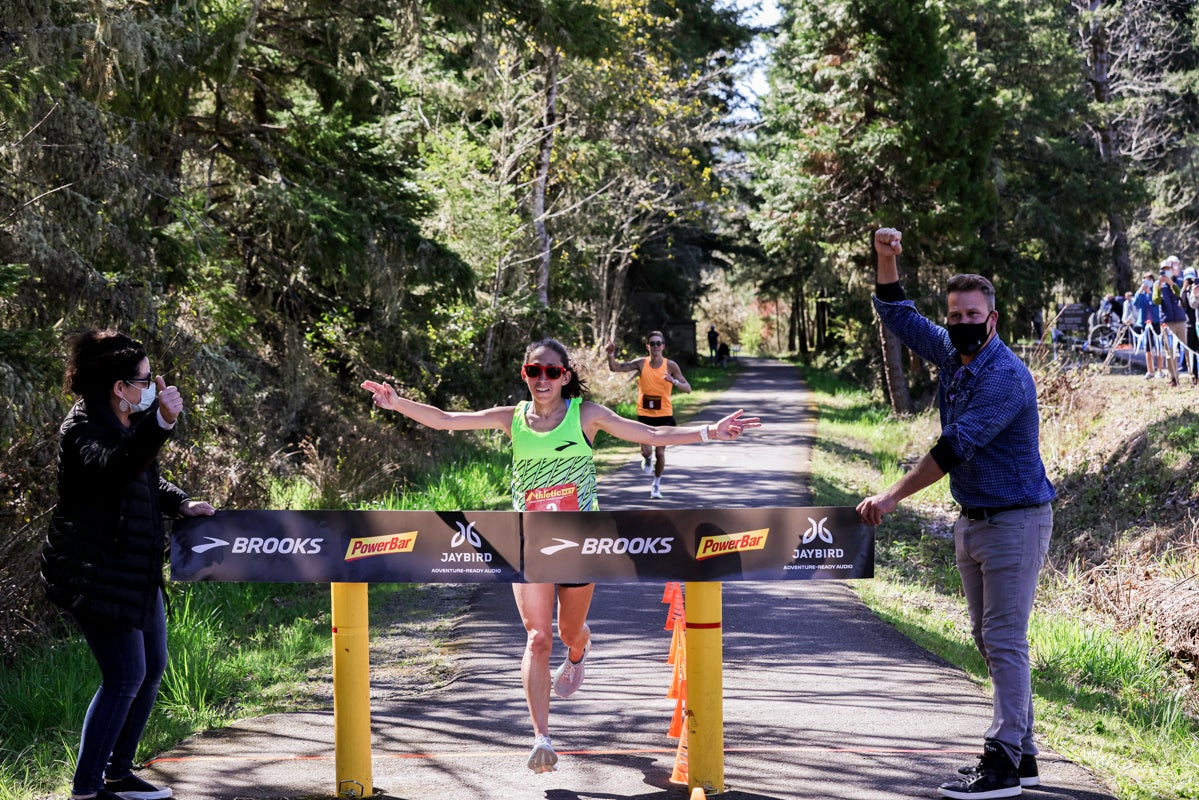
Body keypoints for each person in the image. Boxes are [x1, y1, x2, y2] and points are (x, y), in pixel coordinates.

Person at [361, 339, 758, 774]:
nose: (543, 379)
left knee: (569, 631)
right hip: (528, 542)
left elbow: (651, 433)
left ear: (565, 376)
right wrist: (398, 404)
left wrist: (709, 432)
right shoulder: (512, 419)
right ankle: (542, 739)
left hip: (579, 544)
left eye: (552, 371)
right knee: (537, 637)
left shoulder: (585, 416)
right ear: (525, 374)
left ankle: (580, 650)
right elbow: (446, 420)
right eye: (535, 371)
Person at [856, 229, 1055, 800]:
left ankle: (1000, 763)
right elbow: (899, 315)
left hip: (1016, 519)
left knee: (1004, 638)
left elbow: (952, 449)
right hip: (973, 520)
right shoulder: (951, 352)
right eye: (955, 313)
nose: (962, 320)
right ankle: (1024, 755)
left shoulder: (1005, 377)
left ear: (992, 320)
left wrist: (891, 496)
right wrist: (887, 258)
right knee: (990, 639)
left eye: (973, 313)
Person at [41, 330, 215, 800]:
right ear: (120, 386)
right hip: (94, 575)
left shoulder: (123, 422)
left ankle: (118, 773)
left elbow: (140, 479)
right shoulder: (83, 429)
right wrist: (159, 422)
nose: (154, 386)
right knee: (124, 677)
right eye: (145, 380)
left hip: (135, 571)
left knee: (152, 666)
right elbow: (115, 468)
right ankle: (87, 787)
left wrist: (181, 503)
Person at [605, 332, 692, 499]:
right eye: (652, 344)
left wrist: (673, 381)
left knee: (661, 453)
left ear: (663, 346)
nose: (656, 347)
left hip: (665, 415)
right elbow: (615, 368)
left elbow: (687, 389)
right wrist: (610, 354)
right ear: (648, 346)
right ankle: (647, 457)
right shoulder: (641, 363)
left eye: (659, 343)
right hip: (645, 415)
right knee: (646, 451)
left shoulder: (671, 366)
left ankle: (656, 486)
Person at [1155, 264, 1187, 387]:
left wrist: (1171, 284)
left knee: (1187, 349)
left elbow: (1181, 296)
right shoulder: (1157, 284)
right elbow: (1156, 301)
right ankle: (1173, 378)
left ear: (1172, 271)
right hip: (1167, 322)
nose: (1166, 272)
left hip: (1181, 320)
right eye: (1163, 270)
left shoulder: (1179, 281)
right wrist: (1158, 287)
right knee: (1170, 351)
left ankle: (1194, 375)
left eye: (1168, 270)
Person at [1133, 274, 1162, 379]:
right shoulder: (1141, 294)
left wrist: (1150, 294)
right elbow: (1135, 303)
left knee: (1159, 347)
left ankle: (1160, 370)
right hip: (1145, 324)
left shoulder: (1156, 291)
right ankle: (1150, 371)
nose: (1147, 282)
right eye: (1145, 279)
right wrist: (1140, 290)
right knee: (1148, 348)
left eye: (1149, 280)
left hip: (1155, 322)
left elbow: (1156, 303)